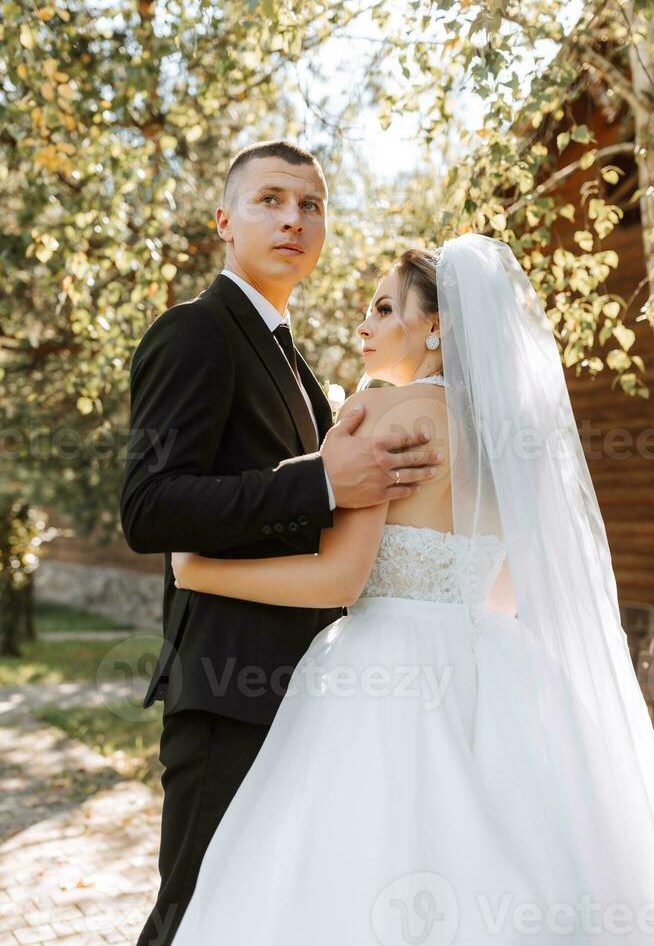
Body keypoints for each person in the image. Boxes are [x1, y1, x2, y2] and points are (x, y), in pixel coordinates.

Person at [169, 235, 654, 944]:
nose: (363, 323)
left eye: (385, 306)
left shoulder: (389, 416)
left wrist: (201, 568)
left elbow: (341, 578)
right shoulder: (502, 437)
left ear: (437, 326)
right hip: (494, 667)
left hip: (381, 668)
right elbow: (502, 589)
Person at [120, 139, 444, 946]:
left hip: (309, 700)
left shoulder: (300, 368)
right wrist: (323, 483)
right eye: (270, 200)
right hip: (227, 689)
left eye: (311, 205)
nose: (294, 218)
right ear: (225, 221)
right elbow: (150, 508)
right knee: (192, 919)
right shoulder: (195, 332)